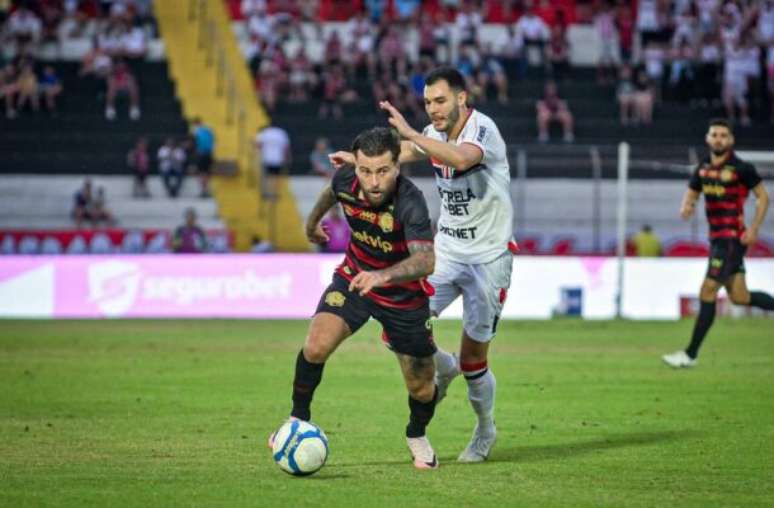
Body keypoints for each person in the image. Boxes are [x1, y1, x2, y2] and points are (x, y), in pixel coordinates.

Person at [330, 67, 515, 463]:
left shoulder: (483, 131)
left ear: (462, 99)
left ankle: (484, 431)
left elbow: (461, 159)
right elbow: (406, 154)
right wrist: (361, 160)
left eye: (440, 100)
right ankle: (442, 365)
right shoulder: (430, 135)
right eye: (428, 102)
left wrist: (413, 134)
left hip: (489, 258)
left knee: (475, 361)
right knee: (398, 329)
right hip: (446, 252)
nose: (432, 109)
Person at [270, 127, 440, 470]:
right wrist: (311, 224)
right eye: (365, 171)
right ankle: (296, 420)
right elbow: (330, 192)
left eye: (382, 171)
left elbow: (426, 261)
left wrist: (382, 276)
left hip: (403, 295)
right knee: (316, 345)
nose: (373, 181)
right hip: (354, 278)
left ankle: (416, 434)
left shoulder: (410, 201)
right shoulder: (346, 179)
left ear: (397, 166)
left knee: (422, 386)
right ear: (355, 166)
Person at [663, 119, 773, 368]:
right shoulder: (702, 167)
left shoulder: (741, 168)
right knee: (740, 296)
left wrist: (754, 228)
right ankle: (690, 355)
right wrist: (687, 205)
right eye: (715, 134)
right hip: (717, 239)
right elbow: (693, 190)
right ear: (708, 138)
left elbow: (763, 197)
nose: (719, 139)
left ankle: (689, 355)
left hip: (732, 239)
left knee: (707, 291)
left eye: (724, 135)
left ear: (731, 140)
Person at [255, 122, 290, 198]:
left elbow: (258, 145)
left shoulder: (264, 133)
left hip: (266, 158)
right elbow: (286, 147)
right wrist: (286, 158)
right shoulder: (281, 133)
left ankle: (266, 192)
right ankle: (275, 192)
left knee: (266, 176)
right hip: (278, 159)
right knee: (276, 176)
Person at [192, 117, 214, 197]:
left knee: (201, 173)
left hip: (201, 154)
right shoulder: (208, 130)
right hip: (209, 154)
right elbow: (213, 140)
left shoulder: (196, 131)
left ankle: (203, 190)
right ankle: (206, 189)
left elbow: (195, 143)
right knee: (207, 173)